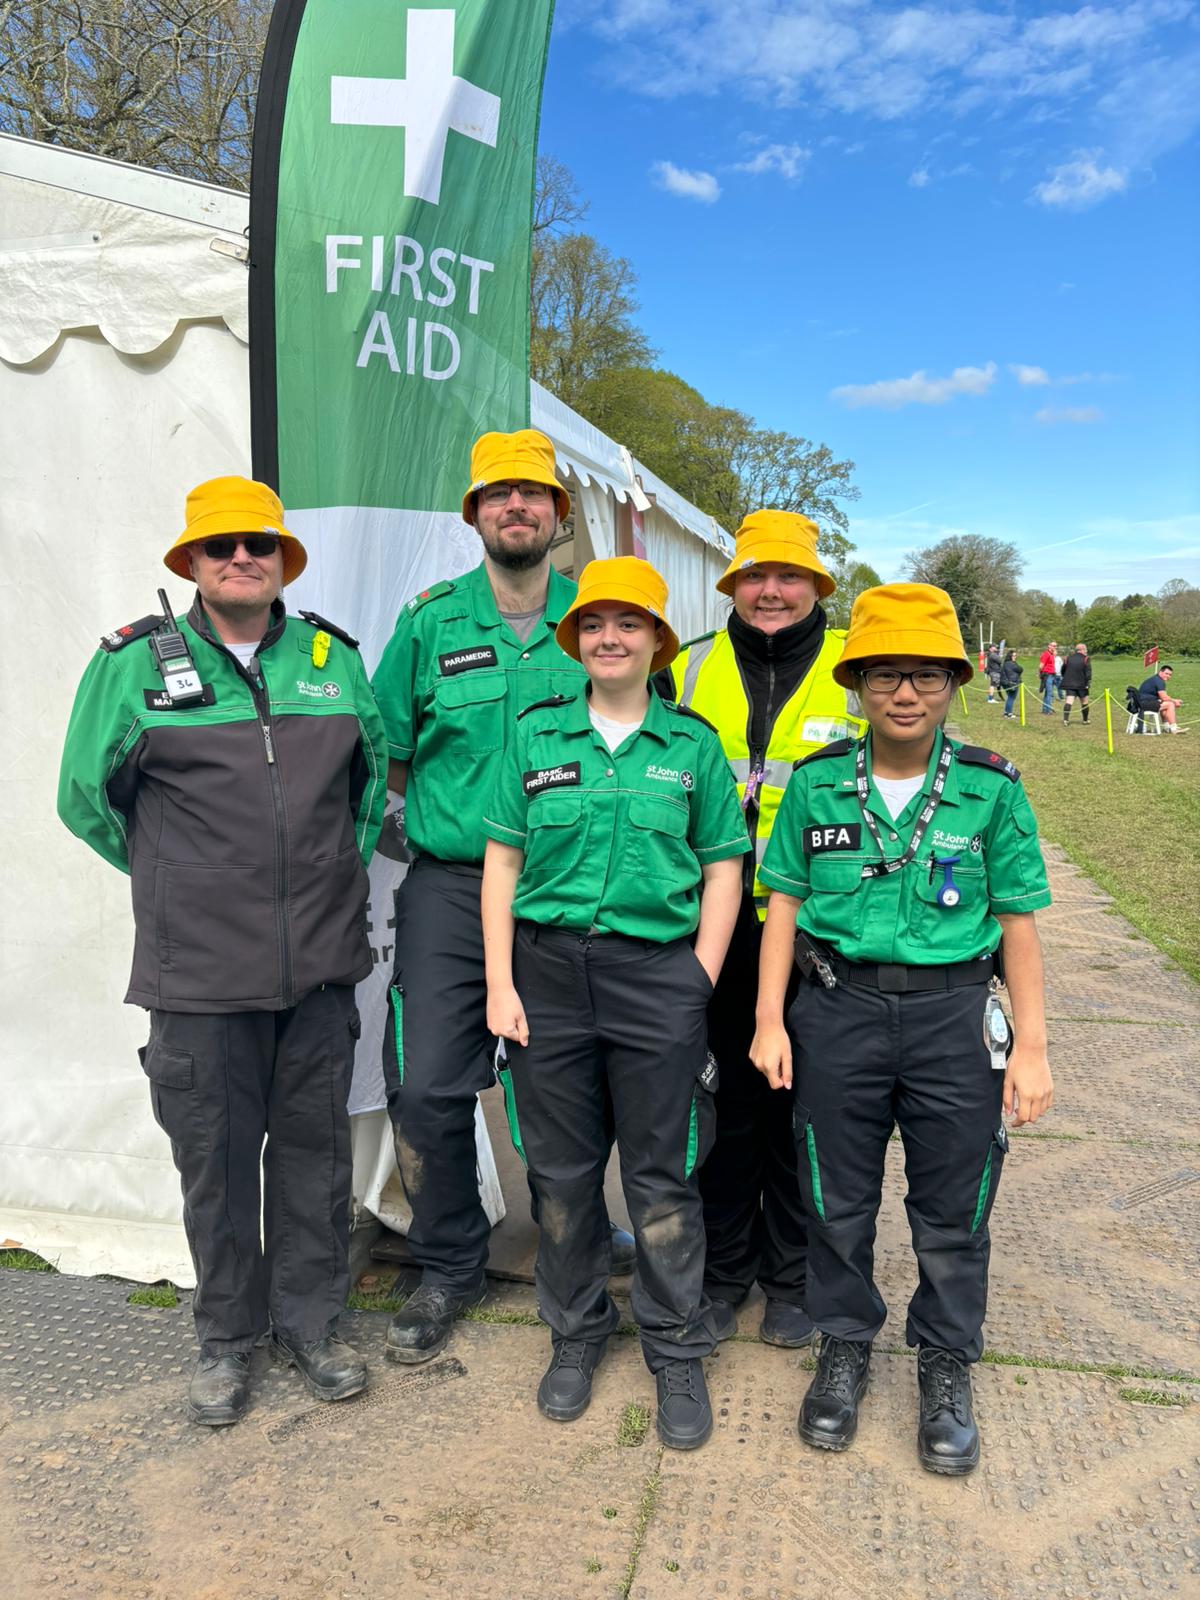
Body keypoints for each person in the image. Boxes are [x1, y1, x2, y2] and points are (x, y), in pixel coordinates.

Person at [57, 476, 388, 1425]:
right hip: (198, 978)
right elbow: (86, 800)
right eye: (220, 547)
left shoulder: (333, 659)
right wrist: (181, 882)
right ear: (189, 564)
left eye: (260, 545)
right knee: (216, 1165)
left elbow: (365, 801)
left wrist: (320, 878)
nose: (242, 558)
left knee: (316, 1161)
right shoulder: (133, 664)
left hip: (319, 971)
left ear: (284, 559)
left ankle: (311, 1325)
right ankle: (227, 1342)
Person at [751, 582, 1054, 1475]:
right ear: (856, 685)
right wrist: (771, 1018)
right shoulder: (814, 784)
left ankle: (945, 1360)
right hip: (836, 1013)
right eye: (885, 675)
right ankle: (844, 1342)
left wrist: (1030, 1048)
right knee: (833, 1200)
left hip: (953, 1018)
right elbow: (785, 905)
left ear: (954, 682)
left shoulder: (989, 789)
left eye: (925, 675)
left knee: (953, 1209)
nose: (906, 694)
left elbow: (1021, 921)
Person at [370, 429, 634, 1368]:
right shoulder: (431, 623)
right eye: (498, 495)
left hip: (564, 893)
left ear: (560, 518)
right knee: (430, 1082)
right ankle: (449, 1263)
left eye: (534, 495)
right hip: (449, 885)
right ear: (475, 515)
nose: (516, 508)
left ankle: (589, 1243)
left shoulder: (600, 623)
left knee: (584, 1084)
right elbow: (387, 751)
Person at [481, 557, 749, 1449]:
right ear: (576, 639)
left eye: (628, 624)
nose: (609, 637)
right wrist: (499, 982)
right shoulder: (535, 737)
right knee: (559, 1179)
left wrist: (700, 978)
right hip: (547, 976)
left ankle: (675, 1346)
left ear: (656, 640)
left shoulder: (694, 747)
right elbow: (502, 865)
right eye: (595, 624)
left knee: (663, 1178)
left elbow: (723, 865)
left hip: (655, 979)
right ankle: (576, 1333)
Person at [652, 510, 863, 1348]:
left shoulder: (862, 666)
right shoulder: (689, 664)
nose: (770, 591)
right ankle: (724, 1269)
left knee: (802, 1111)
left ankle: (795, 1274)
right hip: (710, 922)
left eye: (789, 576)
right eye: (754, 577)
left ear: (816, 585)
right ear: (732, 585)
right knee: (721, 1105)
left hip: (820, 928)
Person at [1138, 664, 1186, 733]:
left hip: (1141, 703)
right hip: (1143, 704)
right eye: (1166, 673)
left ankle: (1166, 727)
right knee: (1170, 704)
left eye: (1170, 675)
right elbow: (1164, 697)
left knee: (1166, 705)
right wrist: (1175, 701)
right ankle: (1174, 728)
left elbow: (1163, 698)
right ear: (1160, 672)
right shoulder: (1159, 681)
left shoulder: (1156, 679)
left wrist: (1173, 700)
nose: (1168, 676)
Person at [1060, 643, 1091, 724]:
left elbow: (1063, 670)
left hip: (1070, 684)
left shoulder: (1068, 658)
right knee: (1084, 702)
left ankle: (1065, 720)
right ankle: (1085, 720)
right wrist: (1088, 683)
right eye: (1086, 650)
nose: (1086, 651)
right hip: (1082, 684)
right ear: (1082, 650)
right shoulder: (1086, 659)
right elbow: (1088, 673)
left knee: (1069, 702)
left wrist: (1066, 678)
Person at [999, 649, 1022, 719]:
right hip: (1012, 683)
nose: (1015, 657)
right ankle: (1009, 714)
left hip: (1005, 683)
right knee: (1011, 698)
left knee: (1009, 698)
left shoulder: (1005, 663)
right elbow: (1020, 669)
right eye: (1013, 656)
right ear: (1010, 656)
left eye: (1015, 656)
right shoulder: (1012, 664)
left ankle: (1006, 713)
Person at [1038, 642, 1057, 714]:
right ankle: (1048, 710)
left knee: (1047, 693)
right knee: (1049, 693)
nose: (1055, 647)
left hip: (1052, 675)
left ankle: (1045, 709)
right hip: (1047, 675)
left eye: (1056, 646)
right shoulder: (1046, 654)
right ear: (1049, 646)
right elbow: (1041, 666)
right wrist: (1040, 673)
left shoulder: (1051, 654)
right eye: (1053, 646)